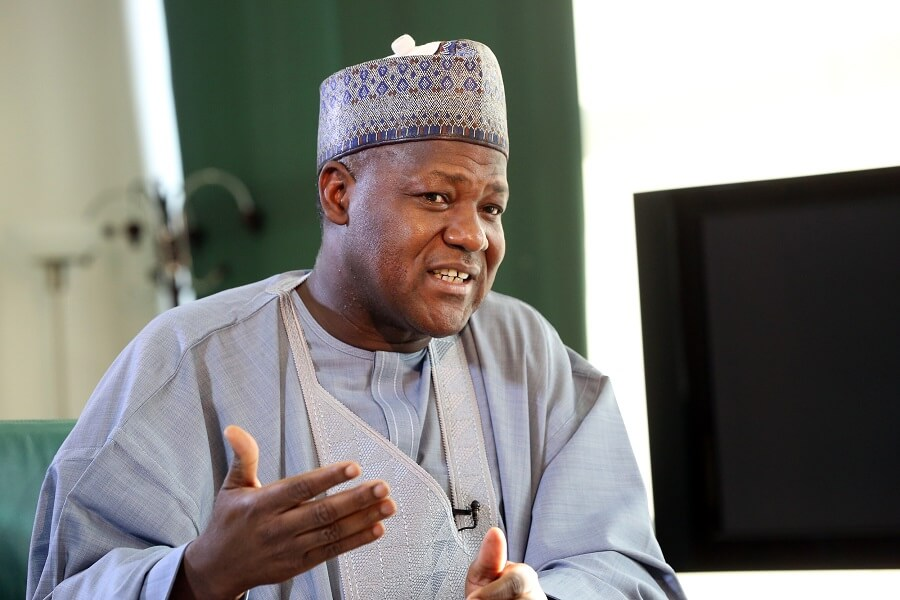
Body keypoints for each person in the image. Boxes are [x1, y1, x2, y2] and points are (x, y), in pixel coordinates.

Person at [28, 35, 686, 599]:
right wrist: (199, 575)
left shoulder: (525, 351)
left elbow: (624, 568)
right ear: (339, 194)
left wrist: (540, 595)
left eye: (491, 207)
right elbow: (69, 585)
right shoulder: (192, 359)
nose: (473, 236)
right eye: (436, 197)